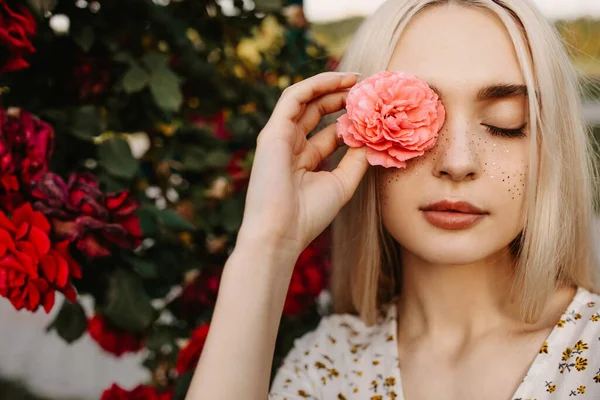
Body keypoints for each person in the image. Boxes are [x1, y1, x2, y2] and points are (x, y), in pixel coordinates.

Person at [187, 0, 600, 398]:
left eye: (505, 123)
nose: (457, 162)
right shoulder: (328, 365)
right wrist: (268, 244)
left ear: (552, 148)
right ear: (364, 128)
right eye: (422, 117)